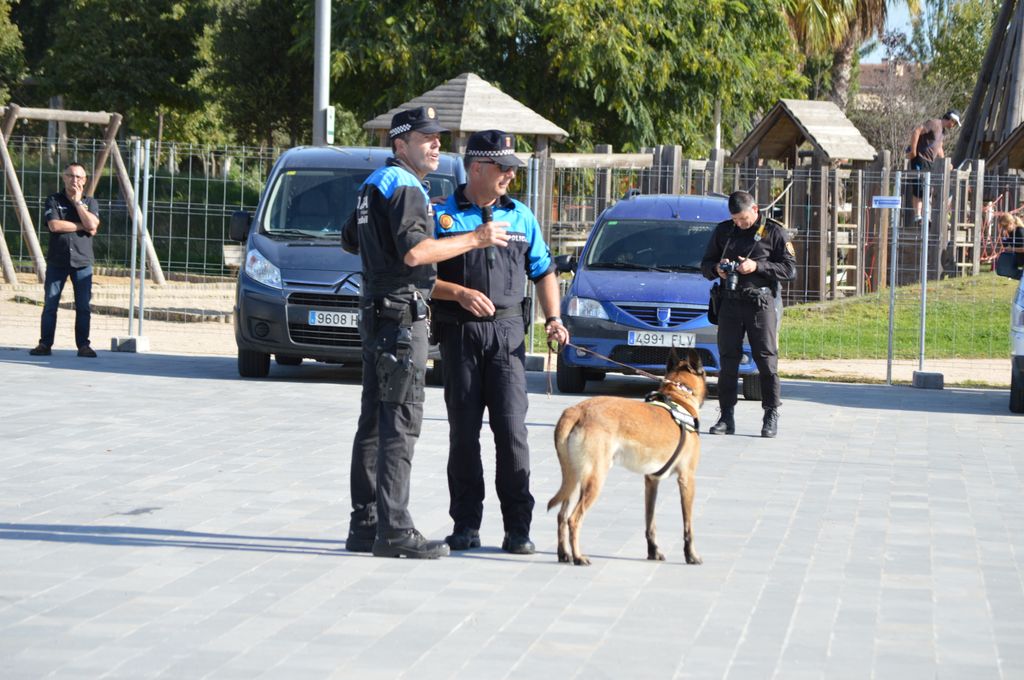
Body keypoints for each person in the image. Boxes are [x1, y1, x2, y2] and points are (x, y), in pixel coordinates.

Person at [340, 107, 509, 559]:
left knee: (374, 420)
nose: (436, 145)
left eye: (438, 138)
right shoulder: (407, 187)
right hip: (400, 316)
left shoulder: (374, 183)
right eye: (425, 138)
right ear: (400, 144)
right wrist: (477, 238)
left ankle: (366, 525)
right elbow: (415, 253)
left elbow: (349, 239)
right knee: (400, 421)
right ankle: (395, 531)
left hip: (376, 311)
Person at [430, 130, 570, 555]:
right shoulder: (442, 215)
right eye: (503, 168)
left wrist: (554, 319)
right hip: (460, 335)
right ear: (477, 167)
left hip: (507, 336)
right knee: (463, 435)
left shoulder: (521, 217)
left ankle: (518, 529)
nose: (511, 175)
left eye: (513, 168)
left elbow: (544, 271)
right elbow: (418, 275)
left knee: (511, 433)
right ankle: (465, 525)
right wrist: (458, 293)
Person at [700, 191, 796, 438]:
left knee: (766, 360)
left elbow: (789, 269)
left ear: (755, 209)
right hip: (729, 303)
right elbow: (705, 265)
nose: (740, 223)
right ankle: (726, 416)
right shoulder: (724, 231)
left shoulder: (774, 232)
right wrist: (717, 269)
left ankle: (770, 414)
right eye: (735, 219)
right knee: (727, 361)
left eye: (743, 218)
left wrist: (757, 266)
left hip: (760, 304)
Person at [29, 162, 101, 358]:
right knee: (50, 304)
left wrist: (78, 203)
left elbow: (93, 224)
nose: (74, 180)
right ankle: (45, 344)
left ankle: (83, 346)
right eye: (70, 175)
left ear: (85, 181)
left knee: (83, 306)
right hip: (57, 261)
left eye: (79, 177)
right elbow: (54, 226)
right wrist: (83, 226)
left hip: (82, 262)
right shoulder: (53, 200)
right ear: (64, 177)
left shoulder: (91, 202)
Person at [906, 109, 961, 224]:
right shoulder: (934, 123)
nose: (953, 126)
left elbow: (939, 147)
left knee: (928, 189)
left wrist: (946, 162)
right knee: (919, 188)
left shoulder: (943, 131)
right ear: (951, 119)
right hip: (920, 158)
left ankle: (925, 216)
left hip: (930, 162)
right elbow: (917, 131)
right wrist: (913, 151)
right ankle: (918, 216)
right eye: (954, 123)